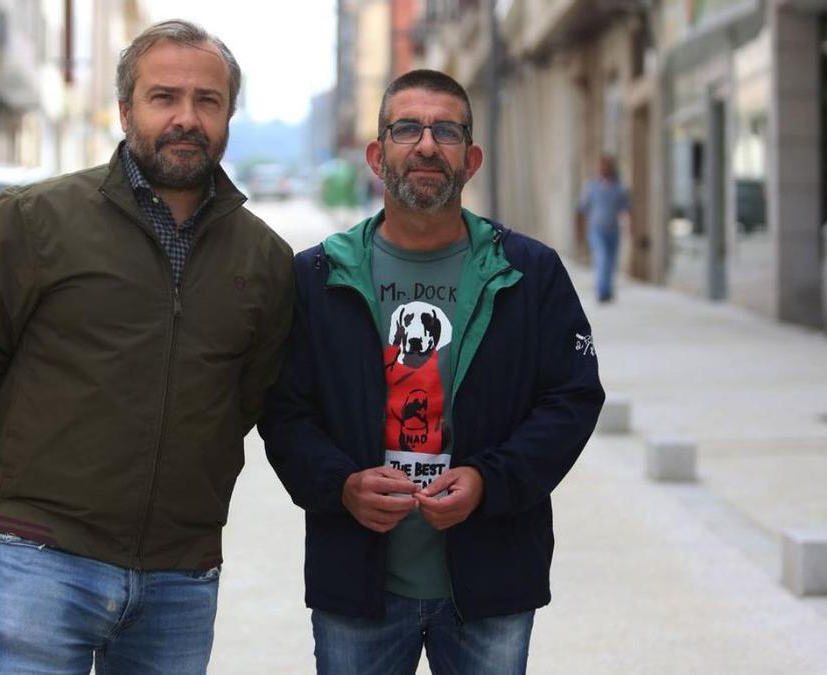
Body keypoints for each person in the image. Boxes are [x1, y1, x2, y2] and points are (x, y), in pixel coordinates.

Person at [0, 19, 294, 675]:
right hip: (47, 557)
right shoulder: (35, 220)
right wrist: (28, 478)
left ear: (229, 115)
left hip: (181, 574)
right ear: (126, 109)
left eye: (207, 101)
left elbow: (246, 395)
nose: (187, 117)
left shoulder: (264, 258)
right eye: (165, 97)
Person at [259, 69, 604, 675]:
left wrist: (489, 482)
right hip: (356, 580)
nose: (425, 144)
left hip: (491, 580)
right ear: (376, 154)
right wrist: (340, 484)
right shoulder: (317, 277)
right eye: (406, 128)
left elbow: (571, 399)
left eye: (445, 130)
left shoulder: (531, 272)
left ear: (470, 159)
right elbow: (282, 411)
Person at [577, 155, 631, 303]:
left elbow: (627, 209)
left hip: (613, 231)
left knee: (611, 262)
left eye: (608, 165)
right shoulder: (591, 187)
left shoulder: (618, 188)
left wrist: (630, 228)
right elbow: (581, 210)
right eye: (602, 166)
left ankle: (607, 290)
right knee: (602, 259)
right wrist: (580, 233)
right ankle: (602, 292)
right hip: (596, 231)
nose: (605, 168)